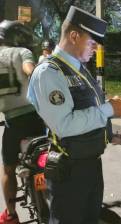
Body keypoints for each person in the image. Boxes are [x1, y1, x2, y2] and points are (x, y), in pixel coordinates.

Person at [27, 6, 121, 224]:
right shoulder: (49, 72)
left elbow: (88, 111)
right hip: (70, 170)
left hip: (91, 164)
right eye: (93, 43)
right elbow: (64, 125)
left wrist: (111, 137)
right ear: (74, 36)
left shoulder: (79, 69)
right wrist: (109, 109)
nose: (95, 49)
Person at [0, 20, 46, 224]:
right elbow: (31, 70)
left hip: (12, 122)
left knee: (8, 169)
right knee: (44, 158)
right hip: (35, 118)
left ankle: (10, 214)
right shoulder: (22, 52)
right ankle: (46, 192)